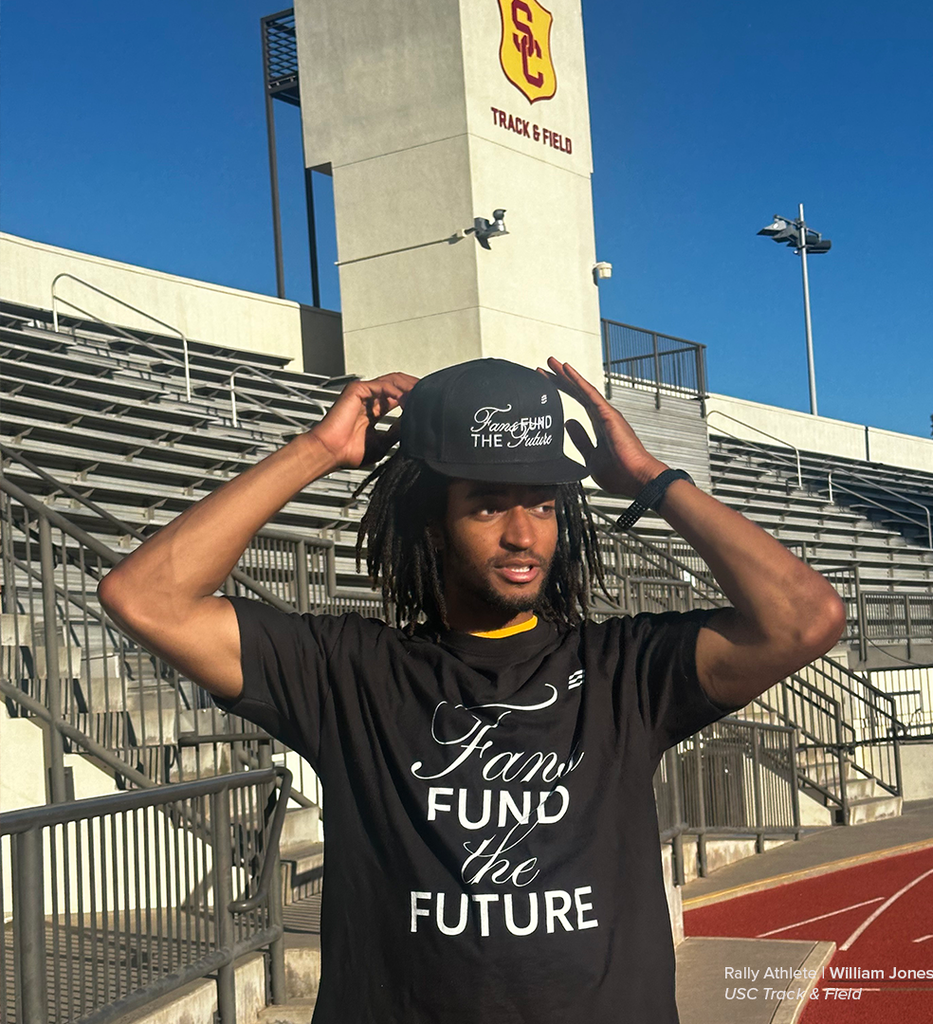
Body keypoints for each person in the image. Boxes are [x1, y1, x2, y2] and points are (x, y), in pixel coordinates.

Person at [98, 356, 845, 1023]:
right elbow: (146, 597)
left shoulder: (626, 668)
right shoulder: (346, 671)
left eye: (544, 504)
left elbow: (807, 617)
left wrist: (653, 480)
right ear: (432, 522)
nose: (524, 534)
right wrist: (318, 451)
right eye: (489, 505)